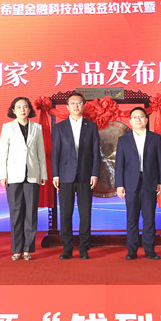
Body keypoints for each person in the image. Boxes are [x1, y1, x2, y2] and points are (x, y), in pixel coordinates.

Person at [52, 92, 101, 260]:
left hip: (86, 176)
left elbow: (96, 153)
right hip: (65, 176)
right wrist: (55, 174)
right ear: (67, 107)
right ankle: (67, 247)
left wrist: (95, 173)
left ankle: (84, 247)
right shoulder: (59, 127)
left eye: (79, 103)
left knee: (85, 214)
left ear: (83, 105)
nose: (76, 106)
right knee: (65, 213)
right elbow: (55, 153)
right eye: (72, 103)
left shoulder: (91, 126)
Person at [0, 97, 48, 261]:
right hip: (13, 175)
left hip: (33, 174)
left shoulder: (37, 128)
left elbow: (41, 153)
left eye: (25, 107)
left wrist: (43, 174)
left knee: (30, 213)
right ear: (13, 110)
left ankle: (28, 249)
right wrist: (3, 175)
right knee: (16, 212)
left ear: (29, 110)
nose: (22, 110)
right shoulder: (7, 127)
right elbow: (3, 153)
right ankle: (16, 249)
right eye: (18, 107)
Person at [115, 107, 161, 260]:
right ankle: (132, 251)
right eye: (135, 117)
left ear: (146, 119)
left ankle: (149, 250)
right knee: (132, 218)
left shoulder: (155, 138)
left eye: (141, 116)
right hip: (130, 183)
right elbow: (119, 164)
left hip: (150, 181)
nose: (138, 119)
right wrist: (119, 184)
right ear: (130, 121)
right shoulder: (123, 140)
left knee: (149, 218)